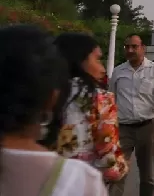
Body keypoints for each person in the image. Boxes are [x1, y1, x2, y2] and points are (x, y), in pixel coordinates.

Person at [0, 25, 108, 196]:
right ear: (52, 98)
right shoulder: (80, 181)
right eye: (97, 59)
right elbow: (107, 146)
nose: (102, 67)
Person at [52, 32, 128, 184]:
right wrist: (121, 168)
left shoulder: (43, 93)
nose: (102, 67)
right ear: (81, 60)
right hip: (81, 183)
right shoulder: (100, 99)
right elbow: (108, 159)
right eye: (97, 59)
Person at [109, 35, 154, 196]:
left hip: (148, 127)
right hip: (123, 128)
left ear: (143, 48)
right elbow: (111, 100)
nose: (130, 50)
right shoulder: (118, 71)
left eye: (134, 47)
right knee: (118, 172)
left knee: (148, 176)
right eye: (127, 46)